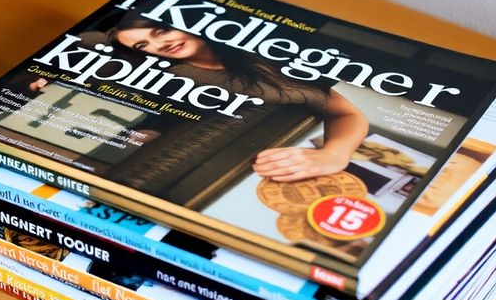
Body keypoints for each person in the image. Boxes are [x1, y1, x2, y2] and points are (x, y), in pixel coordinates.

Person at [104, 18, 369, 183]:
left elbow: (346, 114)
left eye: (161, 30)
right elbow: (165, 119)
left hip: (269, 159)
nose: (160, 44)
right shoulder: (167, 76)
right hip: (204, 165)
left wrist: (334, 154)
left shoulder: (265, 56)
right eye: (142, 45)